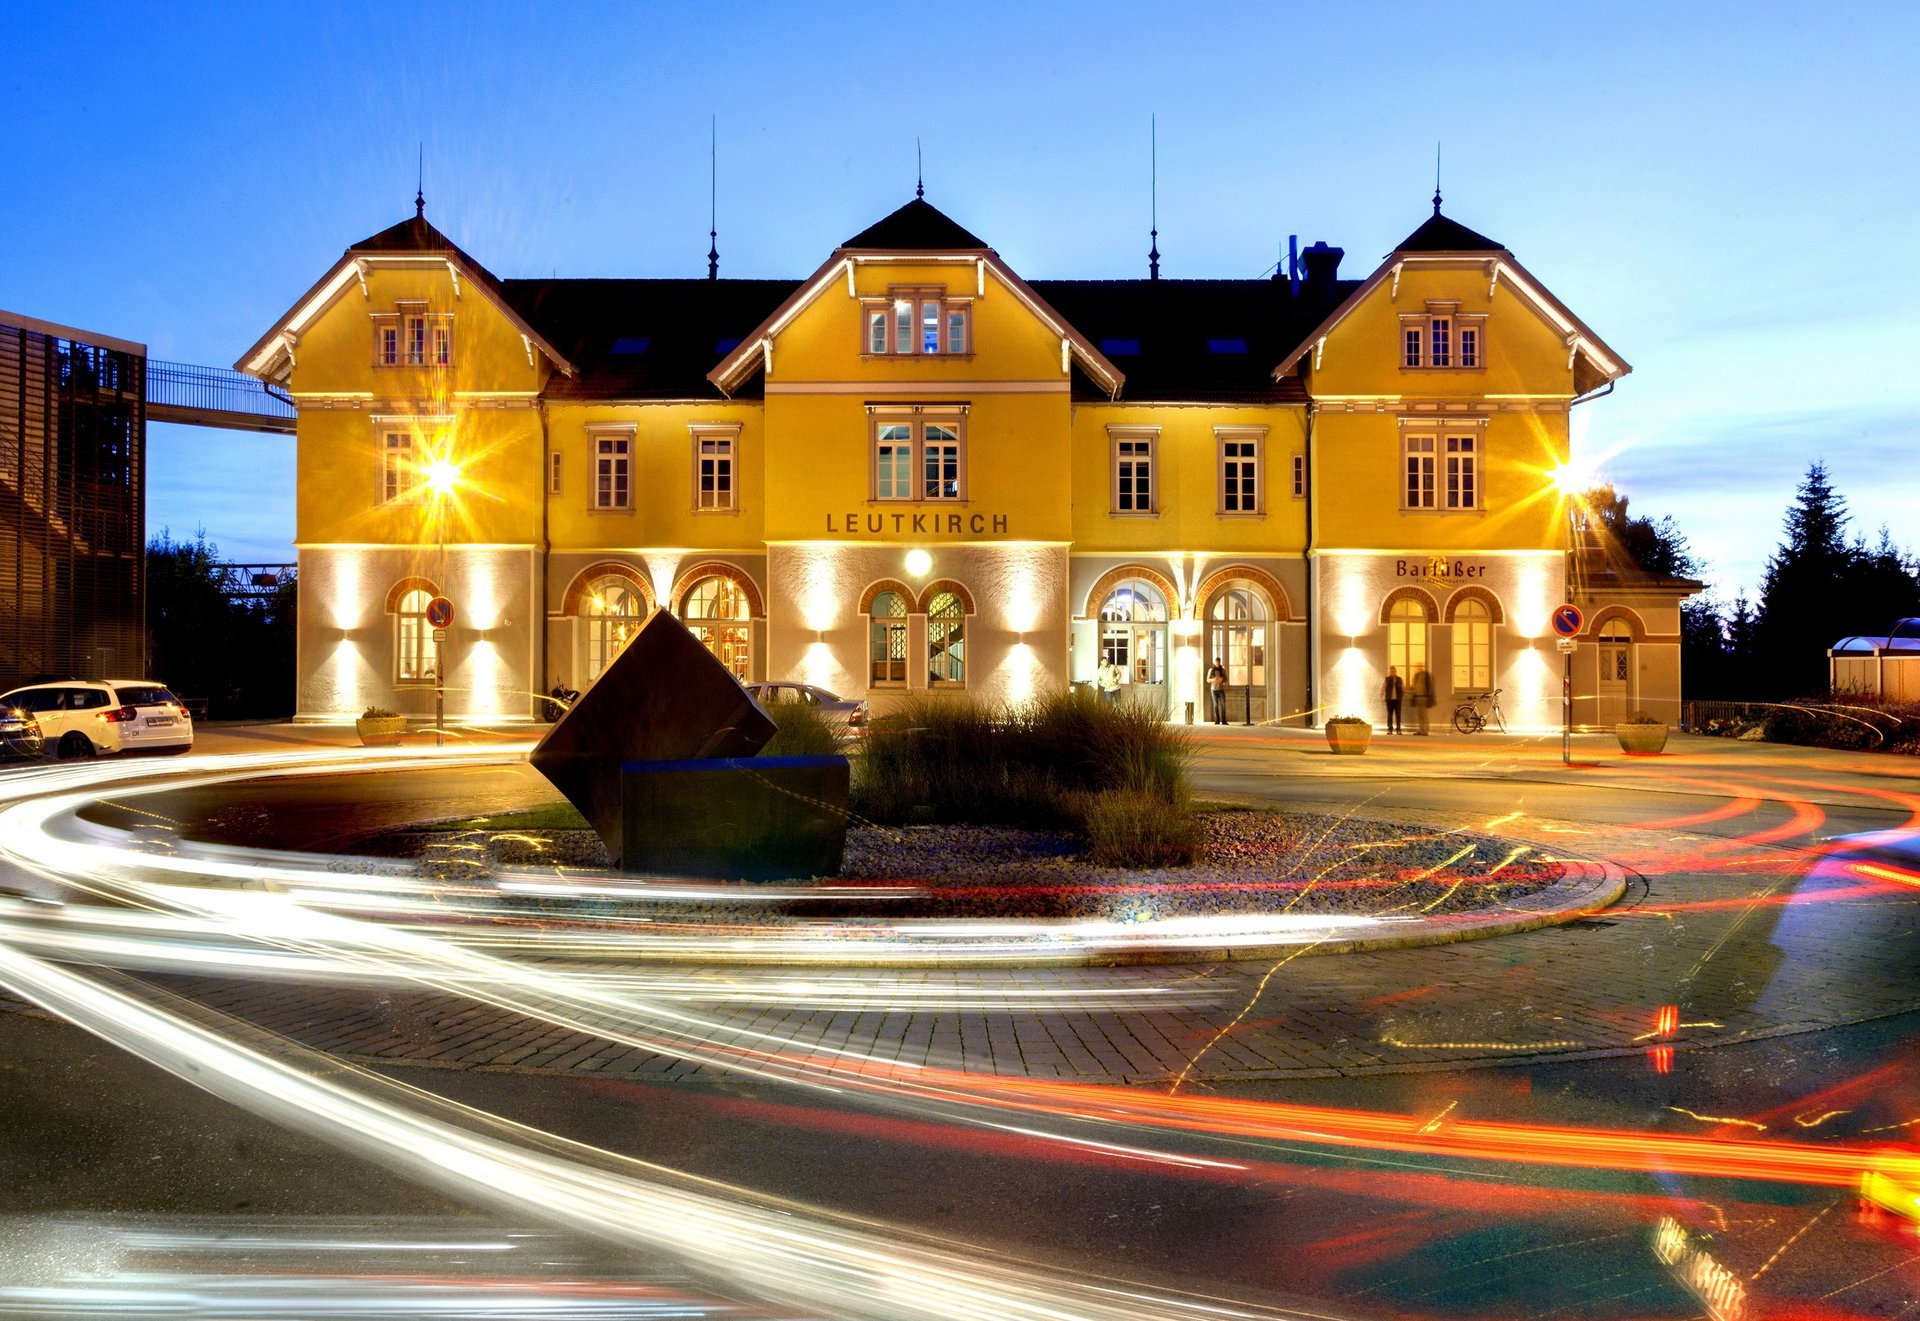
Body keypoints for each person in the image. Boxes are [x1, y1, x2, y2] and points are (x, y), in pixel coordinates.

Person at [1410, 664, 1433, 735]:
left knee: (1424, 714)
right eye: (1417, 667)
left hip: (1424, 697)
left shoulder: (1426, 675)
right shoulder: (1416, 675)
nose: (1417, 668)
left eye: (1419, 667)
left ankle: (1425, 730)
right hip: (1417, 697)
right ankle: (1421, 729)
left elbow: (1429, 686)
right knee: (1419, 715)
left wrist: (1429, 696)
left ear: (1422, 667)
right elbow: (1414, 685)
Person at [1382, 665, 1403, 734]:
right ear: (1389, 672)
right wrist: (1382, 695)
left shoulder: (1399, 679)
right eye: (1391, 671)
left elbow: (1403, 687)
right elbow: (1383, 687)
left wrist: (1402, 695)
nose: (1392, 672)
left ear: (1395, 671)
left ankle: (1398, 729)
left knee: (1398, 715)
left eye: (1393, 671)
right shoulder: (1387, 679)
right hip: (1389, 700)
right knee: (1389, 715)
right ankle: (1390, 729)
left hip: (1398, 699)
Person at [1206, 657, 1228, 724]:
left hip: (1221, 689)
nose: (1217, 663)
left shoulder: (1222, 670)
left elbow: (1226, 679)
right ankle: (1217, 720)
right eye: (1216, 662)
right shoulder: (1211, 670)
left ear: (1220, 662)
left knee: (1223, 705)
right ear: (1214, 662)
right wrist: (1214, 679)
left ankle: (1224, 720)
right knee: (1215, 705)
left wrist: (1222, 679)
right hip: (1214, 690)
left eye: (1218, 662)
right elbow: (1207, 680)